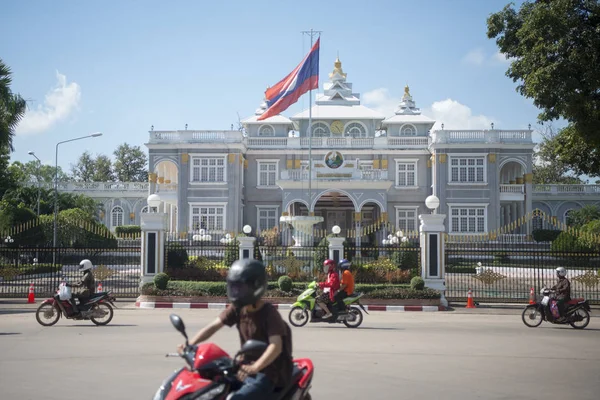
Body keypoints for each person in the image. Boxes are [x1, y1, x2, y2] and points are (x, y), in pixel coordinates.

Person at [177, 259, 293, 400]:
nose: (237, 292)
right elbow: (213, 326)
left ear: (256, 286)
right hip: (242, 368)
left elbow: (276, 346)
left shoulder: (269, 313)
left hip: (266, 373)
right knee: (210, 388)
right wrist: (190, 345)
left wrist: (255, 367)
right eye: (234, 287)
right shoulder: (238, 308)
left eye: (241, 288)